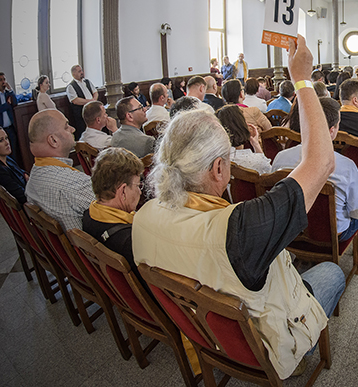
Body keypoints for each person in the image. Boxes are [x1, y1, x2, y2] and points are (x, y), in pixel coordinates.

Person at [132, 35, 344, 380]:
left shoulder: (141, 218)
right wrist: (302, 78)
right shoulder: (240, 230)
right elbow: (321, 163)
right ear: (218, 168)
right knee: (331, 273)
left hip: (206, 335)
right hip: (266, 342)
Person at [274, 96, 358, 254]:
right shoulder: (346, 166)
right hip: (331, 235)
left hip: (291, 231)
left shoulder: (280, 158)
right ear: (332, 131)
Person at [82, 147, 145, 284]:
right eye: (138, 186)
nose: (140, 192)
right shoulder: (129, 240)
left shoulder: (88, 215)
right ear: (123, 191)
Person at [26, 110, 95, 231]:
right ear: (53, 140)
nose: (72, 129)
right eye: (66, 126)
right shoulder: (76, 185)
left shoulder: (34, 176)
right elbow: (117, 207)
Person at [216, 105, 272, 175]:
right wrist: (256, 145)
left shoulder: (215, 161)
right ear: (242, 125)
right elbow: (268, 173)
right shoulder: (257, 161)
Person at [0, 125, 28, 205]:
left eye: (6, 138)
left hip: (28, 192)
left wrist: (25, 174)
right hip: (27, 205)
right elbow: (21, 196)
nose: (7, 143)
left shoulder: (7, 158)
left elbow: (20, 171)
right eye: (1, 140)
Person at [0, 72, 19, 157]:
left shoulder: (8, 94)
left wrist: (11, 90)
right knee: (3, 154)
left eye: (4, 79)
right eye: (0, 80)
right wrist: (7, 105)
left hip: (10, 129)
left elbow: (15, 103)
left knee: (13, 152)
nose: (3, 82)